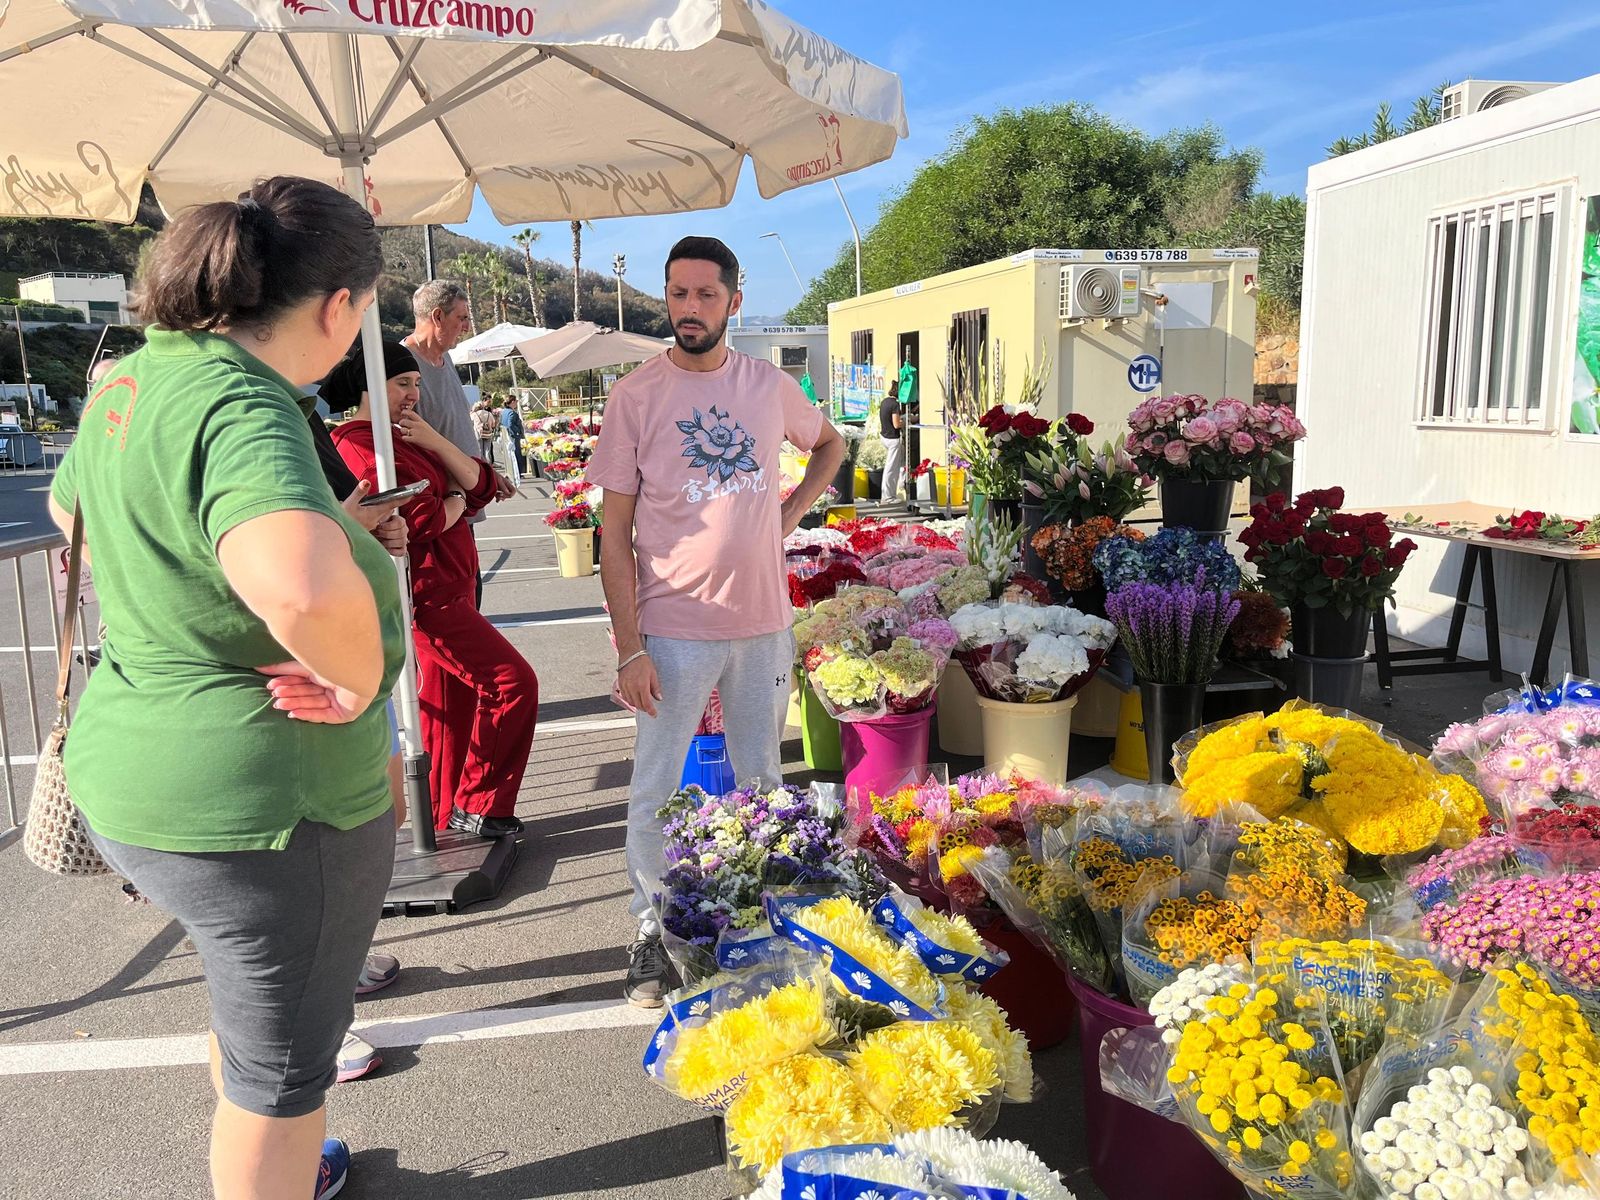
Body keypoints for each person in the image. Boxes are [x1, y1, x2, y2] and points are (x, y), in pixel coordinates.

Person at [48, 176, 404, 1200]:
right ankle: (273, 1169)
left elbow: (79, 523)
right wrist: (360, 678)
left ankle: (279, 1165)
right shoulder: (244, 405)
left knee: (253, 1017)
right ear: (337, 306)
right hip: (262, 807)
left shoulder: (132, 377)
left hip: (133, 773)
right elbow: (292, 582)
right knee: (283, 1078)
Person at [587, 236, 846, 1008]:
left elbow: (830, 445)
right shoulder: (636, 396)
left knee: (764, 778)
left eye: (704, 295)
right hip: (672, 627)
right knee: (656, 788)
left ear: (735, 299)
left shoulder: (768, 385)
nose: (688, 309)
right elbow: (613, 535)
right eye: (677, 295)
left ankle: (759, 908)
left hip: (763, 623)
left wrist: (792, 511)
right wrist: (630, 646)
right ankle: (648, 929)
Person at [325, 340, 540, 839]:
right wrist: (457, 496)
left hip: (453, 587)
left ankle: (446, 813)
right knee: (512, 684)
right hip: (426, 596)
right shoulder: (359, 441)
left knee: (452, 713)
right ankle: (481, 805)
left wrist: (443, 455)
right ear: (368, 388)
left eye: (417, 384)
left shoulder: (406, 435)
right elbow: (416, 518)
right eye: (403, 383)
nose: (413, 394)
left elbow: (483, 481)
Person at [405, 282, 513, 610]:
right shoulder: (403, 366)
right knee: (454, 610)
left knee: (470, 599)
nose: (467, 327)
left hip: (463, 501)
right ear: (437, 316)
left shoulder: (444, 358)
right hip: (440, 510)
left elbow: (455, 429)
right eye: (462, 318)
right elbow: (407, 438)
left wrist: (487, 474)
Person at [878, 379, 905, 504]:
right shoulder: (895, 405)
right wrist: (905, 422)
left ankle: (893, 491)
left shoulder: (884, 402)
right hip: (893, 439)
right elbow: (896, 424)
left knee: (896, 466)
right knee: (891, 468)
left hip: (884, 436)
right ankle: (888, 497)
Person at [499, 395, 527, 477]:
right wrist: (517, 431)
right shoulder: (512, 413)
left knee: (509, 454)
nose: (517, 403)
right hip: (513, 436)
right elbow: (510, 424)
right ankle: (517, 473)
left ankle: (512, 472)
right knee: (516, 454)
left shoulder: (504, 411)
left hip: (506, 436)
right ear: (512, 402)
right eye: (516, 401)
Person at [472, 398, 499, 464]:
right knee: (487, 450)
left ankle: (481, 465)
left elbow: (470, 423)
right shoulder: (489, 414)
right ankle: (488, 465)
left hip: (478, 434)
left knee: (480, 450)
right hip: (488, 434)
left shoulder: (474, 414)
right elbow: (493, 424)